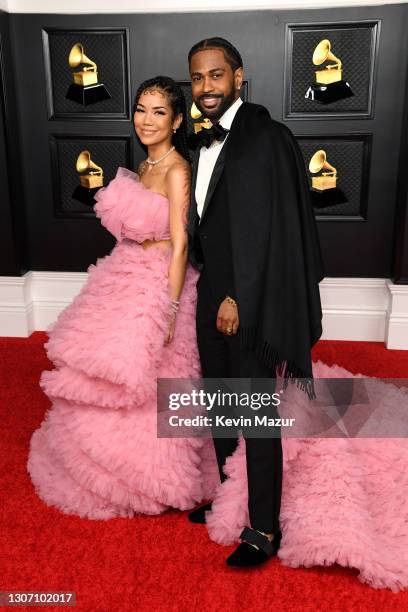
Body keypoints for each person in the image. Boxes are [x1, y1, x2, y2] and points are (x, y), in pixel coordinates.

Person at [27, 76, 218, 518]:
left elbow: (181, 243)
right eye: (141, 109)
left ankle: (153, 474)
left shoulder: (176, 170)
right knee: (106, 368)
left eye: (158, 112)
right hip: (124, 270)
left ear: (175, 121)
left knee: (155, 376)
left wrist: (169, 308)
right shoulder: (144, 166)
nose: (146, 120)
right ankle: (103, 458)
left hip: (160, 282)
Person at [186, 37, 324, 567]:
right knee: (220, 402)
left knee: (256, 414)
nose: (206, 88)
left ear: (238, 77)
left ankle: (264, 528)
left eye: (216, 76)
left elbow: (272, 231)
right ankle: (228, 501)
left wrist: (239, 298)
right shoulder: (200, 143)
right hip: (209, 292)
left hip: (250, 300)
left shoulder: (267, 138)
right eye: (197, 79)